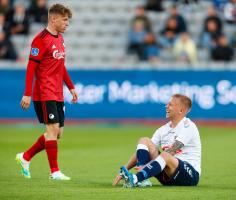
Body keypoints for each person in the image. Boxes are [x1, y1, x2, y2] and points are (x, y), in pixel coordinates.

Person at [16, 3, 78, 181]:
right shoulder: (40, 39)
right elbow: (31, 68)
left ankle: (25, 157)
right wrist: (27, 93)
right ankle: (55, 172)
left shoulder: (59, 39)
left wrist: (71, 86)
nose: (67, 24)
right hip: (44, 93)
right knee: (52, 131)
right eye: (65, 20)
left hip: (57, 92)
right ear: (53, 19)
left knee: (58, 134)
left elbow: (61, 66)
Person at [113, 94, 201, 187]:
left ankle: (136, 178)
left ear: (181, 110)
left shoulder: (188, 126)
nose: (166, 106)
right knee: (144, 140)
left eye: (170, 104)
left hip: (189, 176)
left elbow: (171, 151)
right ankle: (142, 179)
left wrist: (147, 167)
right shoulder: (163, 129)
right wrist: (124, 169)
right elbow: (144, 150)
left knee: (166, 154)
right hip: (167, 176)